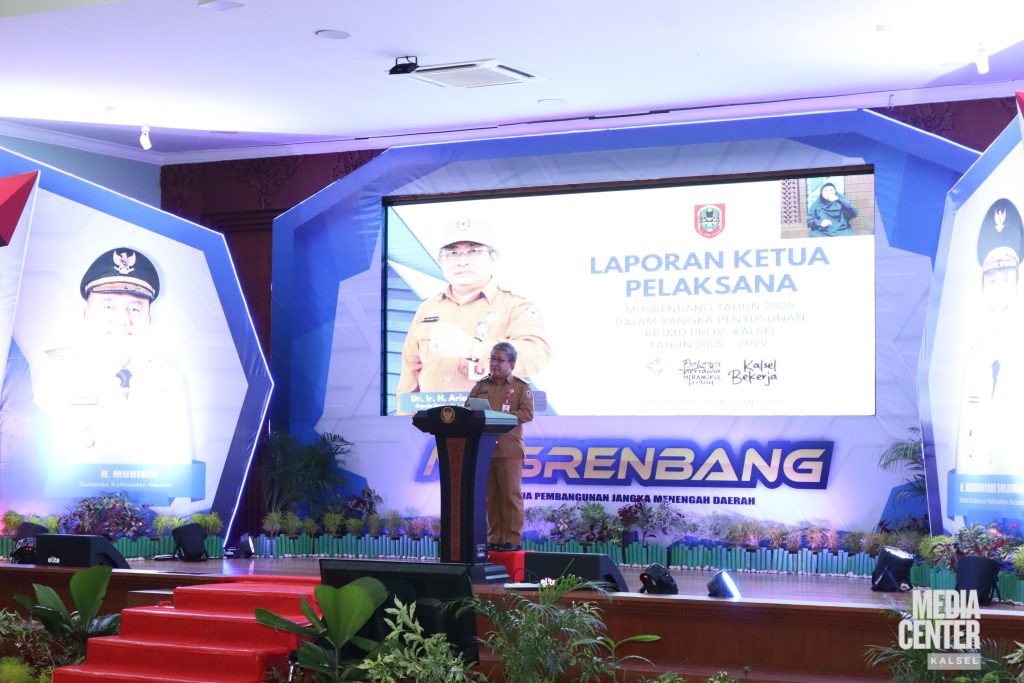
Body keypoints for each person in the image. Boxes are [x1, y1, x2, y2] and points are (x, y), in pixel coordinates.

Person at [30, 247, 192, 466]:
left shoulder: (169, 379)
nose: (123, 319)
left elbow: (181, 469)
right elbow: (38, 466)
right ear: (87, 315)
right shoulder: (56, 375)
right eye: (108, 306)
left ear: (148, 319)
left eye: (135, 309)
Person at [397, 218, 550, 408]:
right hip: (433, 420)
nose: (462, 262)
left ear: (493, 257)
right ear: (440, 261)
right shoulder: (427, 308)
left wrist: (476, 348)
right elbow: (410, 370)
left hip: (491, 421)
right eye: (453, 253)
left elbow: (536, 356)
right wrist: (404, 421)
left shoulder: (516, 306)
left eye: (473, 251)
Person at [955, 198, 1024, 476]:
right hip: (978, 483)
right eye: (992, 280)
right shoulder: (975, 352)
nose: (999, 288)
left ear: (1018, 282)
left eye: (1006, 278)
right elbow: (966, 431)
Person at [466, 342, 534, 551]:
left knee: (511, 495)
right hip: (485, 450)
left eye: (500, 360)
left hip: (509, 450)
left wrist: (500, 417)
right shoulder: (480, 386)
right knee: (492, 497)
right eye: (492, 359)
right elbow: (468, 408)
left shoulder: (521, 387)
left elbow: (527, 414)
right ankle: (495, 538)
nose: (494, 364)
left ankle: (512, 539)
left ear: (511, 364)